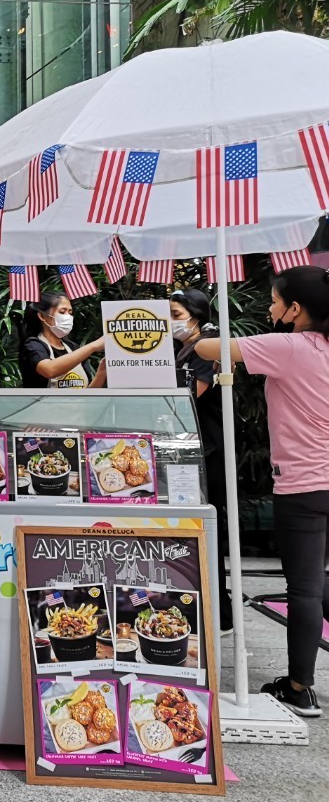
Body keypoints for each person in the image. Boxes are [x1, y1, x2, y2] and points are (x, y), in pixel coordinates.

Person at [194, 266, 329, 717]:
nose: (270, 309)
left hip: (304, 486)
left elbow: (207, 348)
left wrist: (205, 335)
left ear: (295, 309)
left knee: (304, 590)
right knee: (316, 584)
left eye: (274, 302)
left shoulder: (291, 346)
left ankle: (299, 688)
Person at [170, 288, 232, 632]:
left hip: (208, 450)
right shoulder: (182, 348)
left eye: (176, 315)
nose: (171, 322)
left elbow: (191, 396)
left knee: (207, 528)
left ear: (196, 315)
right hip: (191, 450)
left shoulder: (208, 345)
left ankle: (219, 610)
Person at [18, 292, 107, 389]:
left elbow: (87, 394)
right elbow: (50, 370)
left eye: (70, 312)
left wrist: (102, 372)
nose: (67, 317)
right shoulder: (34, 345)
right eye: (62, 312)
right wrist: (93, 346)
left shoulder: (73, 347)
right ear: (42, 316)